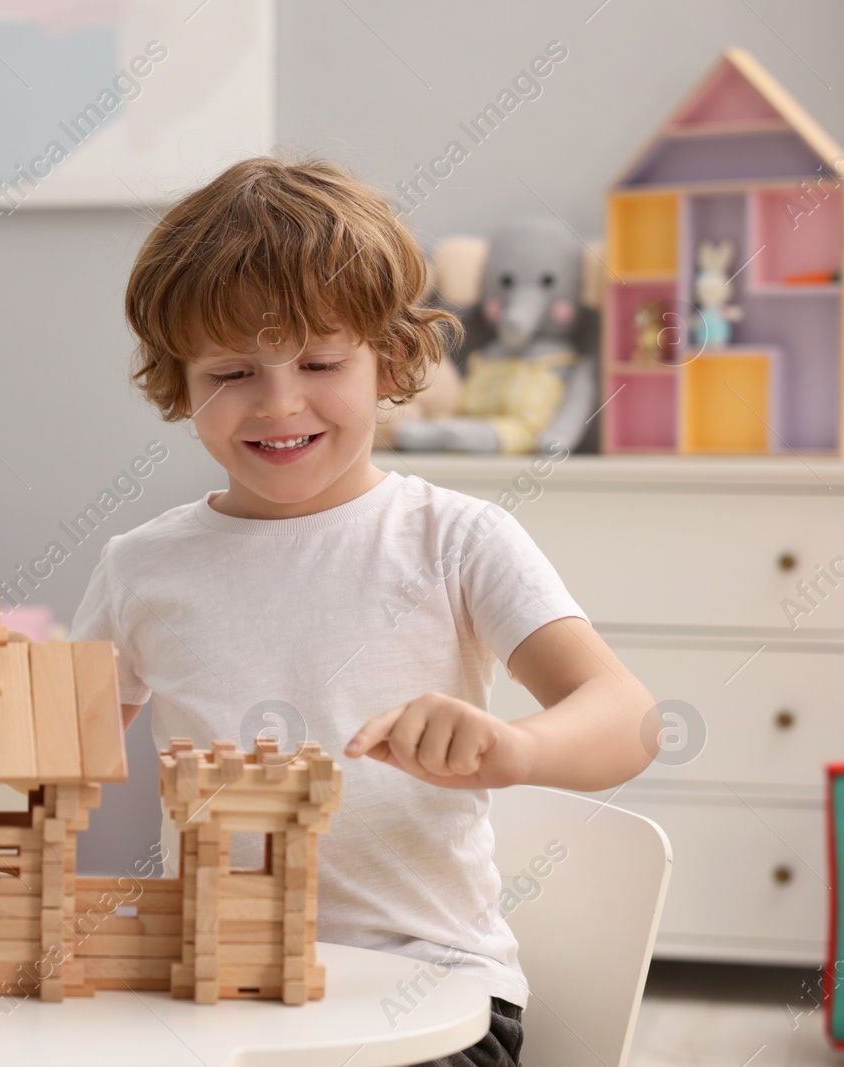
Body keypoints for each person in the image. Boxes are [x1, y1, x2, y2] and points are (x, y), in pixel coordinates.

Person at [65, 155, 657, 1067]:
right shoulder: (142, 567)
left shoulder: (455, 540)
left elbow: (631, 721)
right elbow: (61, 762)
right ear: (177, 381)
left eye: (319, 360)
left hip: (431, 1002)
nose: (279, 401)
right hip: (217, 994)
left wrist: (516, 748)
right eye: (232, 370)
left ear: (389, 357)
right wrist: (3, 704)